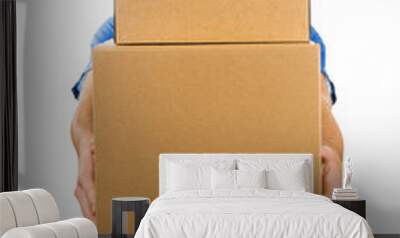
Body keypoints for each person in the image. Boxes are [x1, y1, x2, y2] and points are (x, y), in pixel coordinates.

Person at [71, 17, 343, 222]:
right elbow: (101, 69)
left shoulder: (288, 22)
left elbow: (312, 77)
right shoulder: (126, 22)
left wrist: (327, 143)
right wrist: (86, 138)